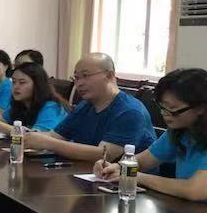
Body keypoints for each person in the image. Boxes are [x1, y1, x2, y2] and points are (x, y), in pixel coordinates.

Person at [94, 68, 207, 201]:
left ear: (200, 108)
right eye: (162, 107)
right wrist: (116, 167)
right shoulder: (181, 131)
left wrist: (135, 176)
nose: (164, 113)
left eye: (172, 109)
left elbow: (195, 190)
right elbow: (143, 161)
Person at [25, 53, 156, 162]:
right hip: (87, 174)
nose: (79, 83)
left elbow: (104, 155)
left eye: (86, 76)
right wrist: (29, 136)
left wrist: (48, 143)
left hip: (130, 182)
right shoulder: (85, 106)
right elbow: (55, 136)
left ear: (109, 76)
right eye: (76, 78)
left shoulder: (130, 111)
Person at [0, 63, 68, 133]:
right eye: (14, 82)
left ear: (37, 85)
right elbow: (1, 120)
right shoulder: (20, 104)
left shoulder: (51, 106)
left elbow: (35, 136)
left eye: (22, 82)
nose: (16, 87)